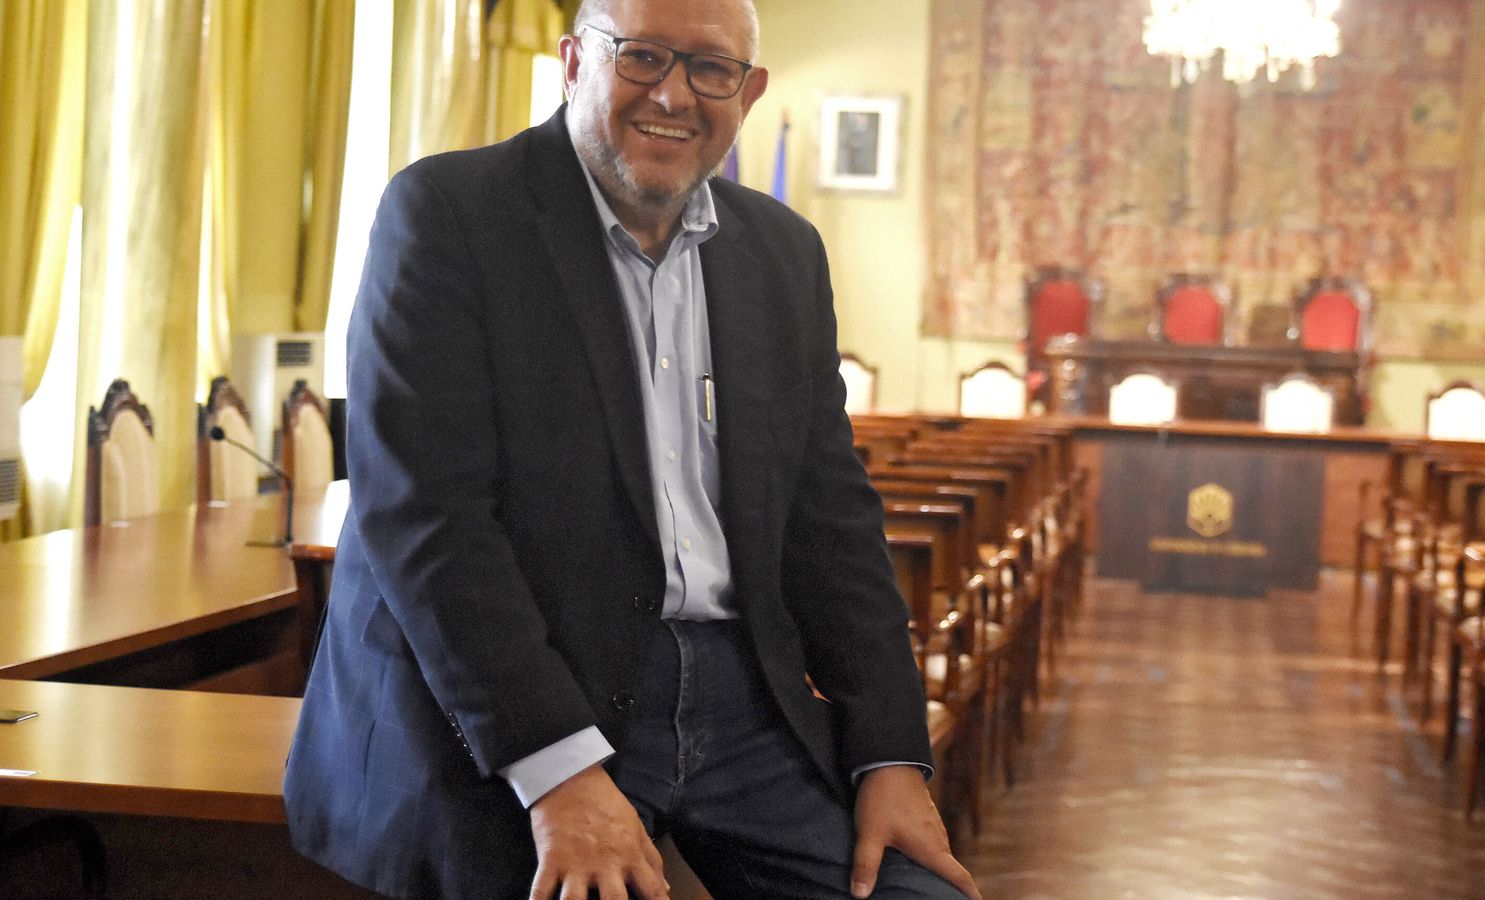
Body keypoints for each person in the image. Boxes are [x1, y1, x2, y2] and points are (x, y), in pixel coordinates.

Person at [284, 0, 981, 897]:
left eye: (710, 69)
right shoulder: (448, 215)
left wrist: (891, 757)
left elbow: (832, 523)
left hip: (739, 701)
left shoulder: (782, 253)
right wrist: (559, 771)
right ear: (575, 61)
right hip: (512, 695)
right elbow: (429, 524)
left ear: (750, 90)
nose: (675, 94)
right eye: (642, 56)